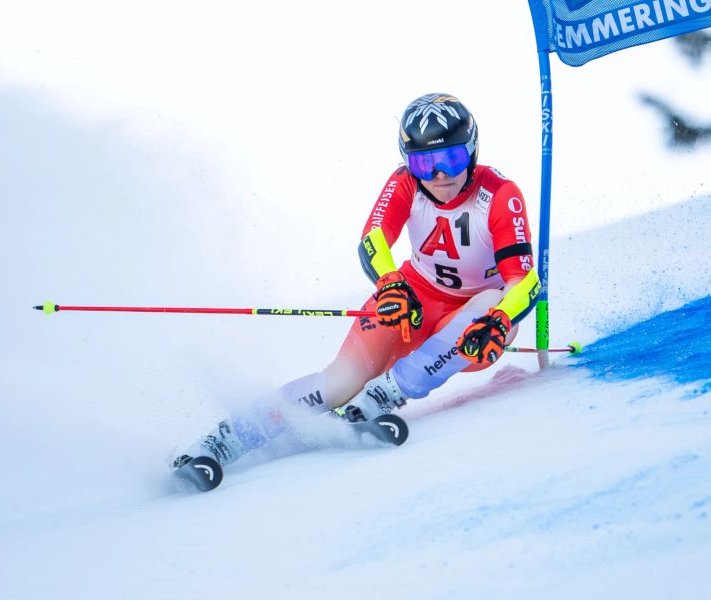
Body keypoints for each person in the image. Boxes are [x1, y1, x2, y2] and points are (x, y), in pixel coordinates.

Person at [177, 93, 540, 469]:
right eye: (423, 162)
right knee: (338, 382)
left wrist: (500, 319)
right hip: (413, 299)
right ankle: (226, 440)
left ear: (473, 150)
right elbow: (373, 240)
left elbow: (523, 280)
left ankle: (386, 393)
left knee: (489, 304)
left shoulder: (498, 195)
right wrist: (390, 283)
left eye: (451, 158)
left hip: (472, 319)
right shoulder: (405, 184)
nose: (439, 175)